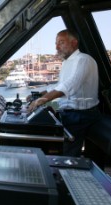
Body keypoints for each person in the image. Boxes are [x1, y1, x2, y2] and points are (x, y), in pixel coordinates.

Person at [27, 29, 101, 157]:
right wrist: (41, 94)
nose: (57, 47)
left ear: (74, 42)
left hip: (81, 116)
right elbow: (59, 85)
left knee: (68, 154)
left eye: (61, 42)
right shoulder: (67, 62)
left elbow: (70, 85)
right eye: (56, 43)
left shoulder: (83, 60)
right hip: (69, 113)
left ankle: (69, 174)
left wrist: (43, 100)